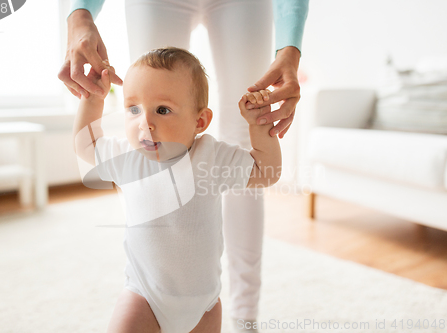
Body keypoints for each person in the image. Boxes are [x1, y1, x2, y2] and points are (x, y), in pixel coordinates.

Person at [60, 1, 308, 332]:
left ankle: (246, 316)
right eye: (133, 109)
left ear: (200, 121)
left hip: (205, 306)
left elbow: (266, 172)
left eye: (162, 110)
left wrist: (260, 129)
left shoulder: (212, 156)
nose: (144, 122)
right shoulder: (128, 157)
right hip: (144, 298)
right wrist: (92, 101)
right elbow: (85, 145)